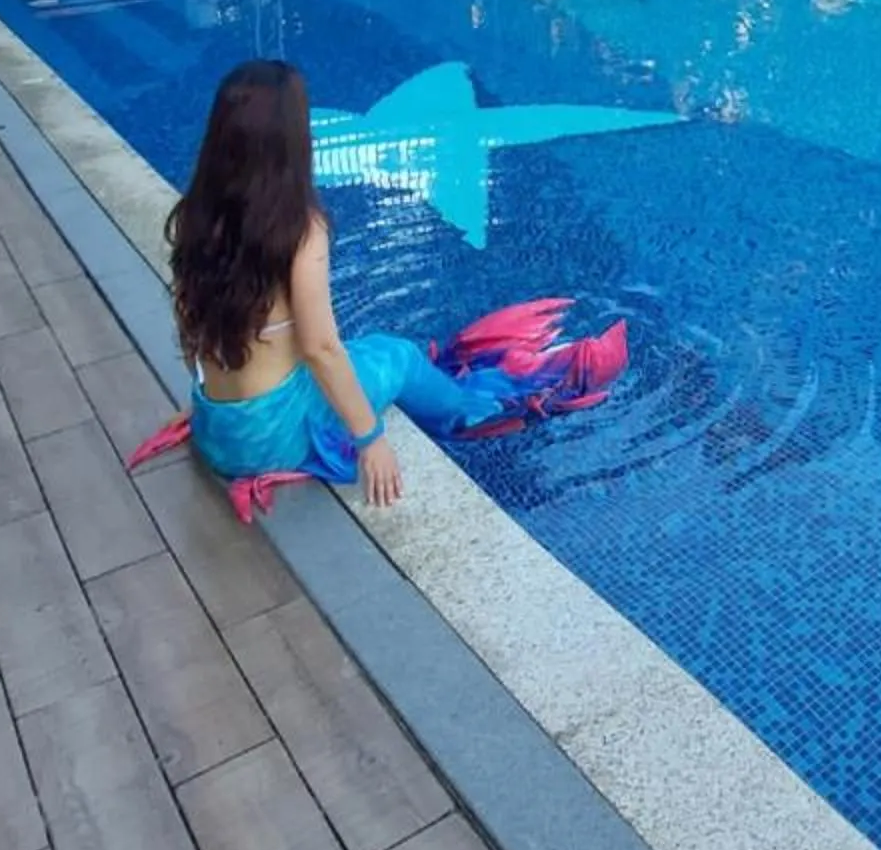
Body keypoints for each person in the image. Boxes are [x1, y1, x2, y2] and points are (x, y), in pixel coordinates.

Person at [152, 58, 626, 521]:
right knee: (395, 355)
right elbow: (320, 348)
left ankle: (438, 384)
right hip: (272, 439)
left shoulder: (197, 214)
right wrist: (370, 438)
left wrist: (205, 399)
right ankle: (472, 411)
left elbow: (189, 317)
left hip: (219, 426)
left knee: (366, 350)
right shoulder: (297, 228)